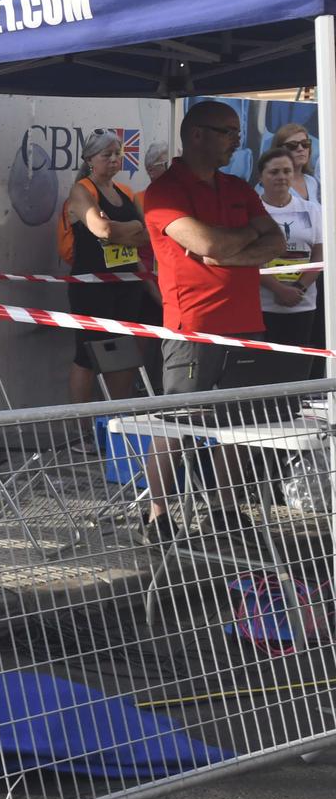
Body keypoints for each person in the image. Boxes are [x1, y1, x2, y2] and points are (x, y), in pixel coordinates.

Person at [139, 102, 285, 541]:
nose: (236, 140)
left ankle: (221, 508)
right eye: (228, 131)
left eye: (237, 131)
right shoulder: (166, 191)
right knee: (177, 425)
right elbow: (205, 241)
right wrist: (236, 243)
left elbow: (275, 240)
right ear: (197, 134)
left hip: (245, 321)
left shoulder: (237, 187)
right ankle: (157, 514)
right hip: (194, 325)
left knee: (238, 425)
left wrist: (226, 249)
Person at [60, 129, 158, 403]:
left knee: (124, 354)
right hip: (92, 286)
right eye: (107, 155)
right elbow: (101, 229)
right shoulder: (82, 190)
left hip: (127, 284)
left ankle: (117, 420)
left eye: (118, 154)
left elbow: (145, 235)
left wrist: (126, 229)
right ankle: (81, 431)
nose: (114, 160)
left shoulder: (124, 191)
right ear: (91, 159)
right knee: (88, 355)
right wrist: (130, 228)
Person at [253, 146, 323, 356]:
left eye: (287, 171)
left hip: (303, 304)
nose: (281, 177)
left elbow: (320, 252)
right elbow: (249, 256)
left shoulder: (311, 209)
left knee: (298, 367)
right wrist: (279, 290)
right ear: (261, 177)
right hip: (264, 305)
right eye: (274, 172)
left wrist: (299, 288)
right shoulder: (254, 210)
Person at [274, 122, 320, 205]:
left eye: (305, 144)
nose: (301, 149)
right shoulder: (270, 184)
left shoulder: (311, 182)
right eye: (292, 145)